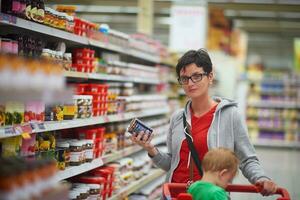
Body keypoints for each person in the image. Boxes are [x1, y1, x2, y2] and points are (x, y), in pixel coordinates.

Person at [130, 49, 277, 196]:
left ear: (210, 77)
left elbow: (247, 159)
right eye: (184, 78)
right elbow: (171, 163)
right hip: (175, 195)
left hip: (208, 196)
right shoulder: (177, 117)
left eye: (197, 76)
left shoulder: (230, 115)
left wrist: (261, 178)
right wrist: (150, 149)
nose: (190, 83)